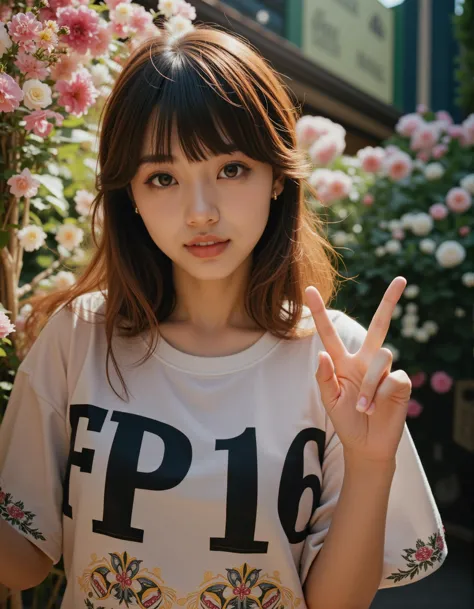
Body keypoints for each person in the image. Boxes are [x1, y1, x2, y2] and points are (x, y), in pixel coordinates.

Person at [0, 25, 446, 609]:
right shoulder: (81, 335)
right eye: (163, 178)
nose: (200, 212)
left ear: (277, 176)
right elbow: (25, 562)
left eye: (231, 169)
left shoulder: (334, 359)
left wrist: (369, 463)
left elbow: (335, 603)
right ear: (129, 195)